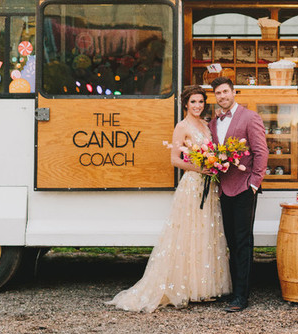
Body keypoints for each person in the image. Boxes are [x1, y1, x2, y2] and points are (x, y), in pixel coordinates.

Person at [106, 85, 231, 312]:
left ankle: (202, 287)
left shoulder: (205, 125)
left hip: (209, 187)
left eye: (201, 102)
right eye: (193, 102)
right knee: (188, 233)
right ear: (186, 104)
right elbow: (175, 159)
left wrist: (214, 164)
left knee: (206, 233)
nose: (197, 106)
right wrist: (200, 168)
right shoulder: (181, 127)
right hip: (193, 184)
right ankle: (184, 287)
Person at [209, 76, 269, 312]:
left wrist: (254, 183)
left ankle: (242, 297)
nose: (222, 96)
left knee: (243, 243)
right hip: (224, 189)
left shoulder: (250, 117)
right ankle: (235, 291)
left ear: (234, 92)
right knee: (231, 242)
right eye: (218, 94)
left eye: (225, 92)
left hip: (244, 188)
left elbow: (261, 152)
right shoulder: (214, 123)